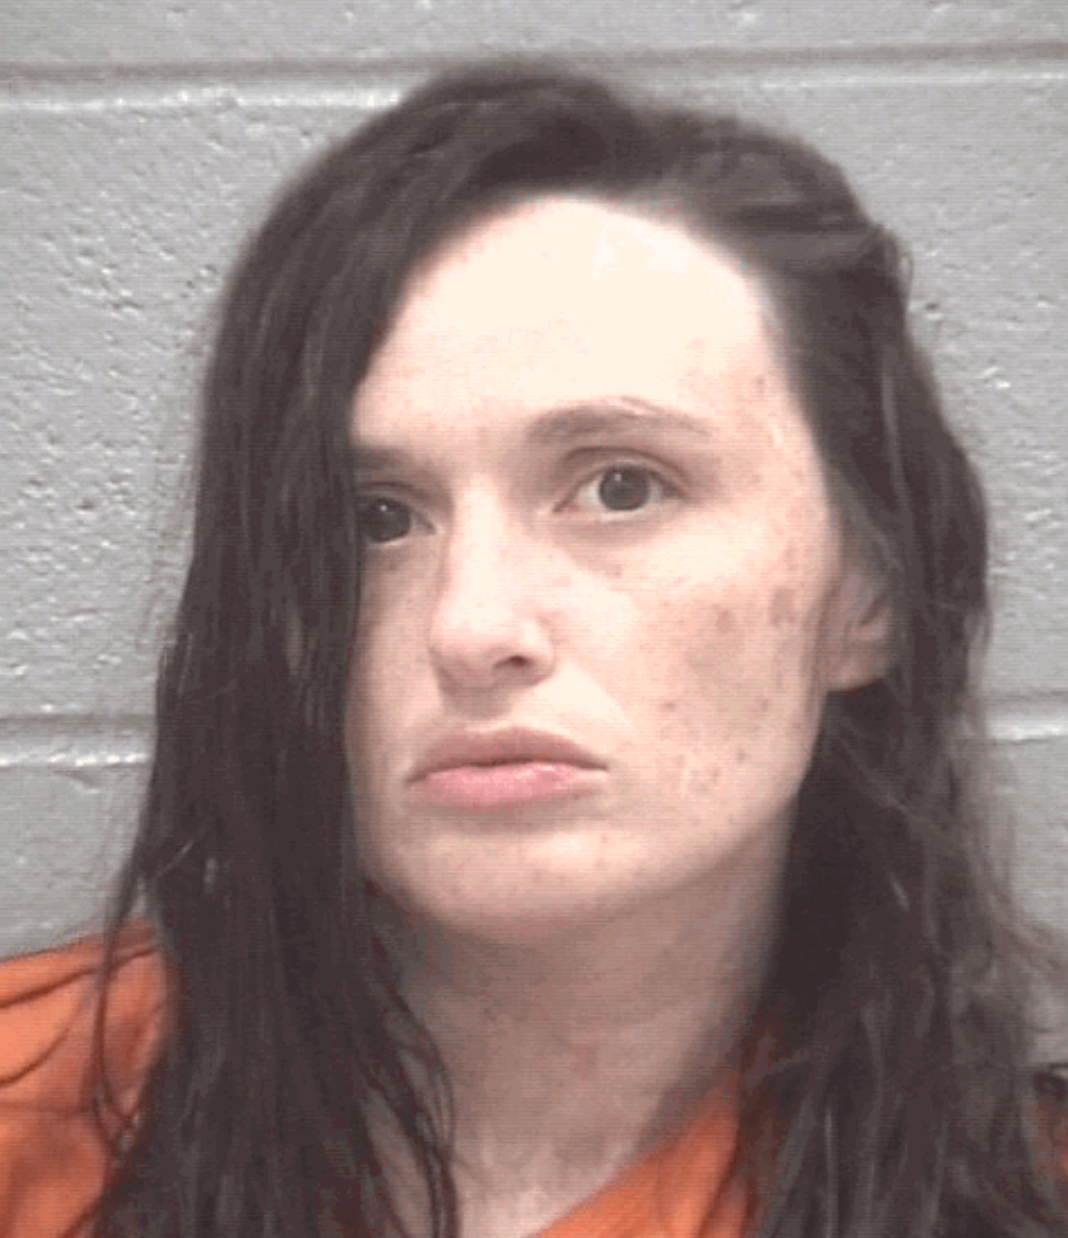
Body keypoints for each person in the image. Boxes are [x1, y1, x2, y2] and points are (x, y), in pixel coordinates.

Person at [0, 57, 1065, 1238]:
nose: (472, 628)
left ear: (869, 594)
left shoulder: (1020, 1194)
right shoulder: (34, 1117)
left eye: (621, 485)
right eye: (376, 518)